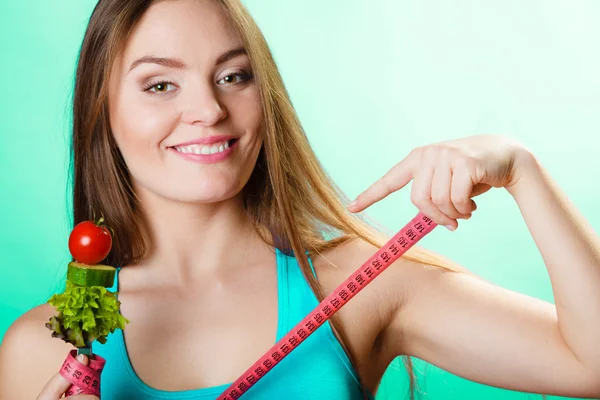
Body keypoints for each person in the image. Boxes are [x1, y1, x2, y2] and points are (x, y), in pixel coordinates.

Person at [1, 0, 599, 399]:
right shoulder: (43, 348)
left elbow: (590, 363)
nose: (209, 110)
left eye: (233, 76)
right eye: (161, 84)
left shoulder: (363, 283)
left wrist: (522, 168)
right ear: (101, 112)